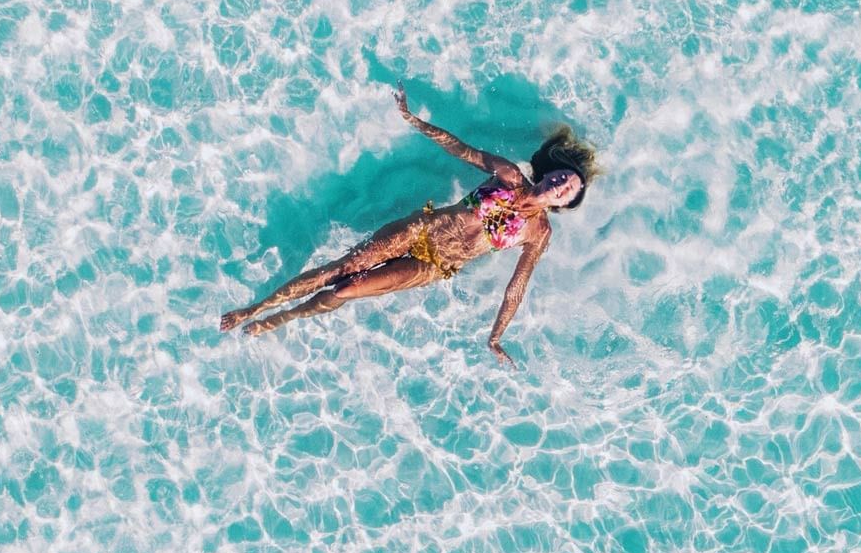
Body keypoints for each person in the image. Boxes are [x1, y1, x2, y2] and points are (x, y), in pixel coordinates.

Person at [220, 86, 598, 366]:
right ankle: (254, 308)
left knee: (351, 289)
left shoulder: (539, 233)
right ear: (550, 172)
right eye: (563, 177)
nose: (562, 186)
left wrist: (495, 338)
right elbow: (461, 149)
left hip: (435, 265)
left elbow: (517, 287)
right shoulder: (509, 176)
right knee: (341, 269)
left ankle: (284, 317)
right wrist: (414, 120)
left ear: (565, 203)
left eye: (568, 191)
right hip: (420, 229)